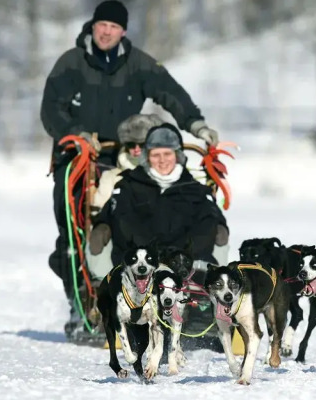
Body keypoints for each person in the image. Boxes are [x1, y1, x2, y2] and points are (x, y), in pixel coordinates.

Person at [40, 0, 221, 339]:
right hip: (78, 156)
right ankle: (81, 307)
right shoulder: (72, 62)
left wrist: (195, 124)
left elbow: (171, 93)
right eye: (101, 25)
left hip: (128, 151)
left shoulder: (138, 63)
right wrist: (76, 134)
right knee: (73, 230)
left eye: (113, 26)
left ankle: (176, 297)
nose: (106, 31)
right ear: (93, 27)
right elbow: (51, 110)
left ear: (123, 31)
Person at [91, 122, 229, 353]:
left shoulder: (195, 190)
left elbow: (211, 222)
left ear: (177, 155)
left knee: (217, 235)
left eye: (167, 154)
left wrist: (187, 251)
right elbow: (115, 219)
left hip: (186, 261)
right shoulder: (128, 186)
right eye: (156, 155)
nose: (162, 160)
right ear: (147, 156)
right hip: (141, 262)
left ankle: (201, 316)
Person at [85, 114, 163, 281]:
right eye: (130, 145)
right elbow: (98, 213)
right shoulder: (112, 177)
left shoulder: (168, 174)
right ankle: (104, 282)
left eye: (141, 144)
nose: (135, 150)